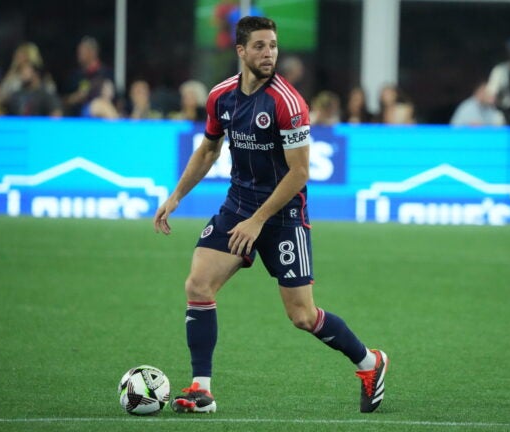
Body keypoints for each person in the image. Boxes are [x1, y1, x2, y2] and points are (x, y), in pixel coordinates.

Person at [153, 16, 388, 415]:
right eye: (260, 46)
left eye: (274, 46)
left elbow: (299, 173)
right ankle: (201, 390)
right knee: (198, 284)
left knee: (302, 315)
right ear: (241, 51)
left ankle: (370, 362)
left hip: (283, 217)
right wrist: (175, 196)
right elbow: (209, 150)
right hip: (237, 207)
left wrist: (258, 220)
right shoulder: (221, 97)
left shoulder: (288, 103)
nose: (269, 53)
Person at [62, 36, 113, 116]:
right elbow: (64, 100)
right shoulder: (75, 76)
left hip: (101, 119)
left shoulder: (106, 73)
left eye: (82, 52)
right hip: (78, 120)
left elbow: (116, 99)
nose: (78, 55)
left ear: (93, 52)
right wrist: (76, 97)